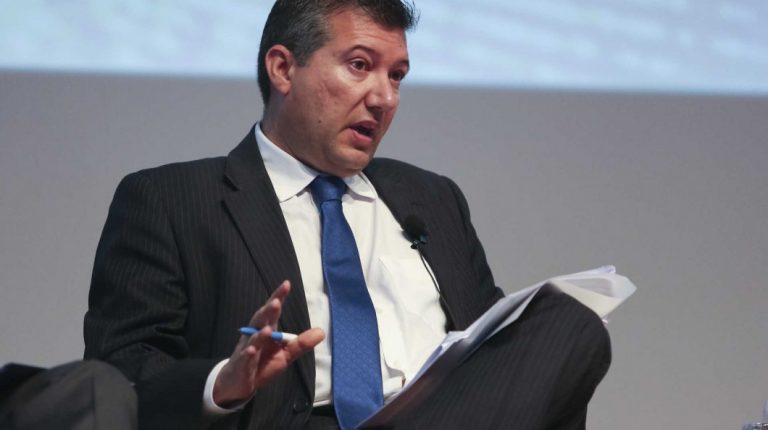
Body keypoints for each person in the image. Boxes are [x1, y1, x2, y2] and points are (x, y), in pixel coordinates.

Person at [84, 1, 611, 429]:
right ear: (283, 68)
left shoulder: (433, 199)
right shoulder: (171, 199)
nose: (384, 97)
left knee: (569, 323)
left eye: (397, 76)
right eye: (360, 65)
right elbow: (120, 371)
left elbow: (495, 357)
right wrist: (222, 383)